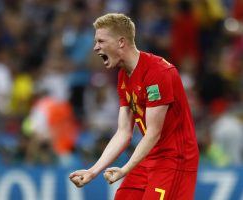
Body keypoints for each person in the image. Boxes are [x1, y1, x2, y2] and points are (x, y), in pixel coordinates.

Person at [69, 13, 199, 200]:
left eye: (101, 41)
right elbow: (123, 132)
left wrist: (125, 169)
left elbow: (154, 132)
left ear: (121, 42)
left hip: (174, 160)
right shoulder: (123, 76)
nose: (96, 47)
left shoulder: (158, 73)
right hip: (148, 156)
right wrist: (93, 171)